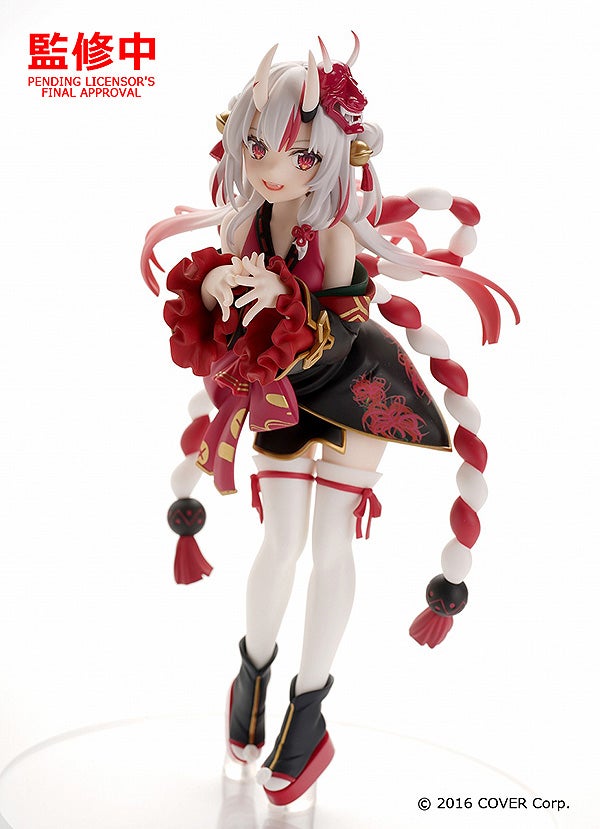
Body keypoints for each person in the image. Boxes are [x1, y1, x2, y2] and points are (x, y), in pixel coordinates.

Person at [141, 35, 518, 806]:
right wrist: (214, 293)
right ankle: (250, 678)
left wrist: (283, 301)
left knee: (329, 542)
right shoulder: (243, 228)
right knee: (280, 540)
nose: (272, 167)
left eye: (300, 154)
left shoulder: (336, 234)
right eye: (257, 146)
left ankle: (308, 711)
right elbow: (218, 316)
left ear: (333, 158)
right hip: (279, 393)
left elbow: (341, 333)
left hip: (351, 390)